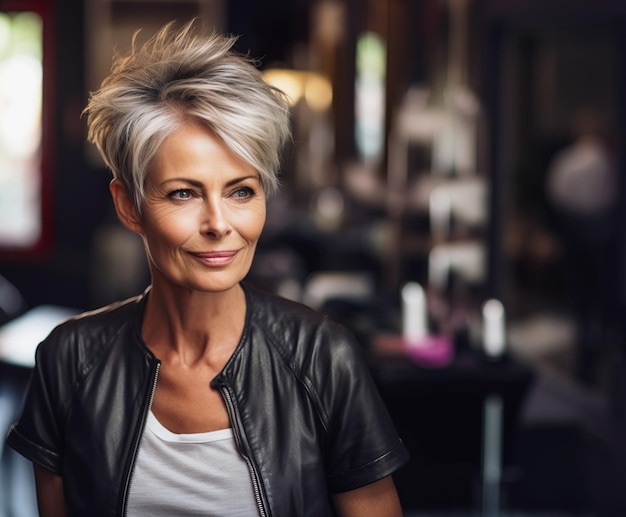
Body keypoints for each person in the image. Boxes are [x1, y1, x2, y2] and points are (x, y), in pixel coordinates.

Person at [6, 19, 409, 517]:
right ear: (129, 206)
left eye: (241, 190)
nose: (220, 224)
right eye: (183, 193)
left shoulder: (323, 358)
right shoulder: (68, 361)